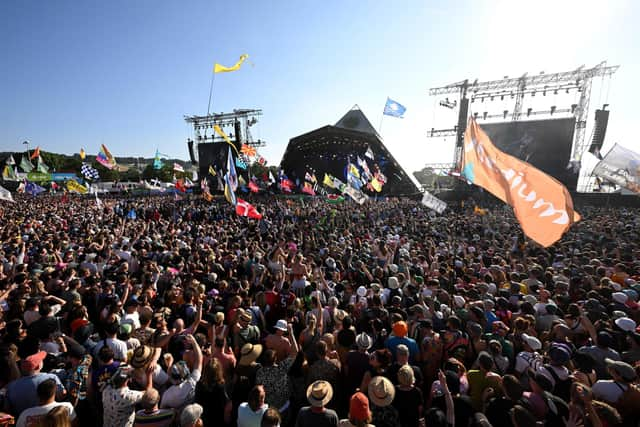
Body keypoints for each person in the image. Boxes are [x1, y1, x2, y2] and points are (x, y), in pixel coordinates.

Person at [6, 350, 66, 417]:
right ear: (38, 366)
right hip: (49, 420)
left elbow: (8, 409)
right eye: (41, 360)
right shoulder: (51, 378)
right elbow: (61, 396)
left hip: (24, 422)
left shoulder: (11, 386)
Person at [160, 334, 203, 410]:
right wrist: (194, 342)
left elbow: (162, 410)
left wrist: (169, 366)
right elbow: (199, 359)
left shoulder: (167, 395)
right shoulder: (192, 382)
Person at [195, 357, 231, 426]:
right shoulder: (221, 386)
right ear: (219, 371)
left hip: (204, 419)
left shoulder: (199, 385)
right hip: (217, 420)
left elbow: (197, 402)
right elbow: (225, 404)